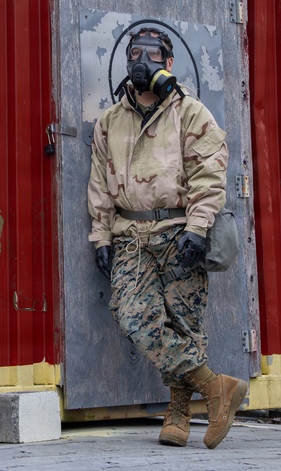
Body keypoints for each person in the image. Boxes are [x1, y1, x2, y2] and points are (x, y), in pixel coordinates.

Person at [87, 26, 247, 449]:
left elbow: (210, 176)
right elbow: (100, 184)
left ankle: (177, 414)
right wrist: (101, 235)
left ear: (169, 63)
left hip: (180, 232)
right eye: (135, 54)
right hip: (132, 237)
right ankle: (216, 389)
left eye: (153, 54)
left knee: (185, 322)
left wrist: (198, 229)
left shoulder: (191, 113)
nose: (143, 62)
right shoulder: (110, 120)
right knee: (132, 315)